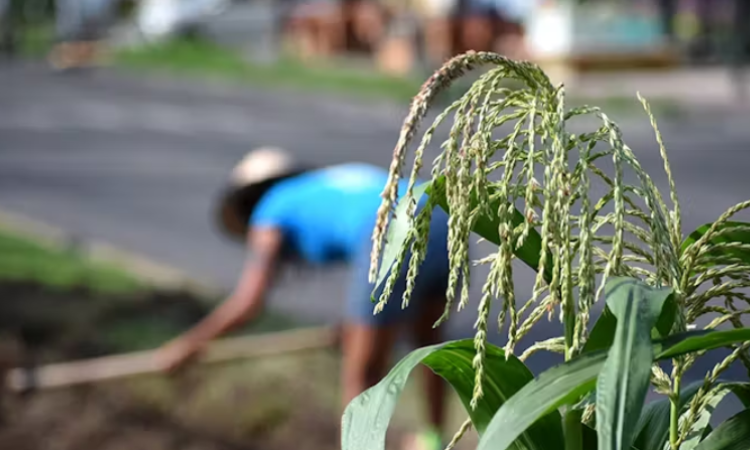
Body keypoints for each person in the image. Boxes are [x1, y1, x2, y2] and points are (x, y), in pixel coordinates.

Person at [155, 147, 451, 450]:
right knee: (430, 346)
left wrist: (189, 346)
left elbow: (248, 302)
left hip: (388, 230)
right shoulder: (330, 181)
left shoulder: (270, 211)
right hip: (442, 216)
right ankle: (434, 440)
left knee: (363, 376)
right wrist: (357, 328)